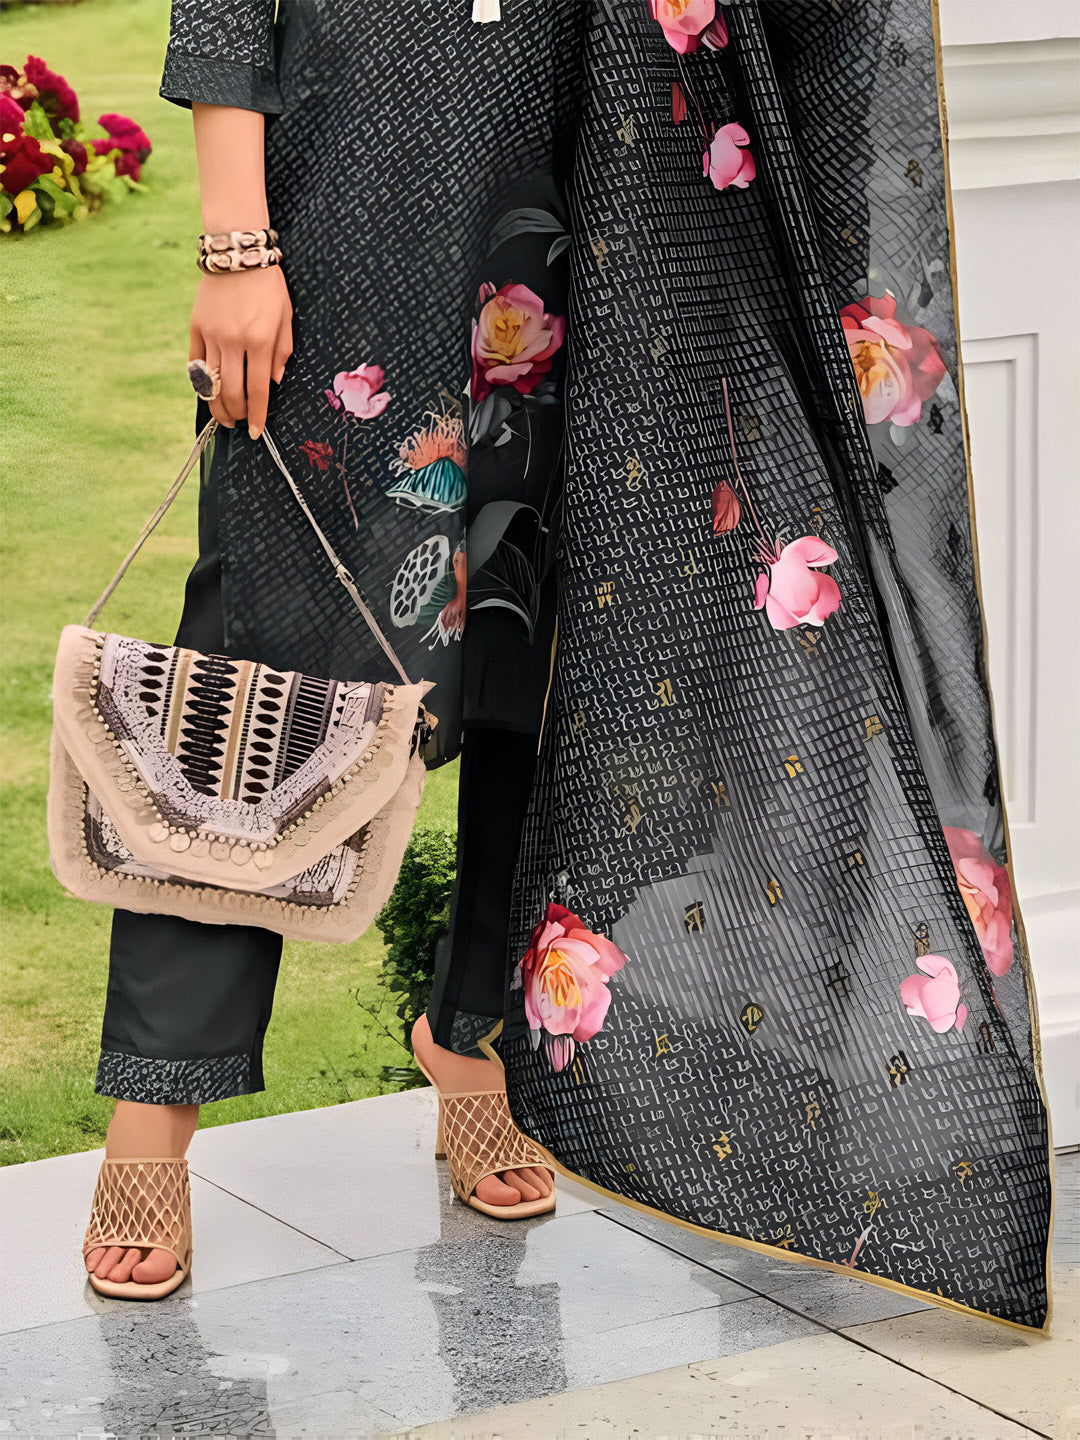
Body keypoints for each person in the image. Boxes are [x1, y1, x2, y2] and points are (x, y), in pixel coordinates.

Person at [82, 0, 1053, 1332]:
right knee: (270, 656)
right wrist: (236, 241)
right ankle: (152, 1111)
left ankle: (474, 1034)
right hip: (359, 183)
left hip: (601, 167)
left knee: (546, 631)